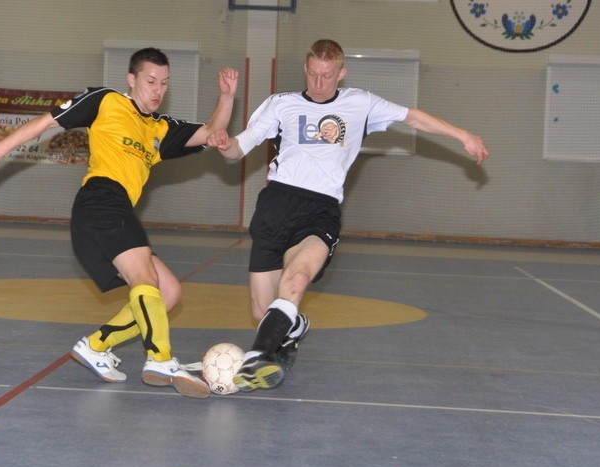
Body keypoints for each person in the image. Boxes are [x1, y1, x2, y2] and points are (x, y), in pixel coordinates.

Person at [207, 39, 489, 392]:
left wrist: (461, 134)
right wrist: (223, 144)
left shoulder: (361, 103)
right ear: (306, 69)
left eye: (327, 75)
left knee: (295, 283)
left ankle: (258, 357)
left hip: (319, 211)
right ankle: (293, 327)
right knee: (263, 311)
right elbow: (238, 149)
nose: (319, 82)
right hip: (275, 206)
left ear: (342, 73)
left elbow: (411, 116)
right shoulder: (281, 104)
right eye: (312, 73)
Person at [0, 48, 239, 398]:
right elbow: (46, 122)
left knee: (170, 292)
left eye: (164, 83)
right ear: (131, 79)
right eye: (149, 81)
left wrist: (226, 97)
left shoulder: (161, 128)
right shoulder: (106, 101)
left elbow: (210, 133)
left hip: (116, 211)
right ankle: (159, 357)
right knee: (145, 280)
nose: (157, 89)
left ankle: (96, 346)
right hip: (100, 200)